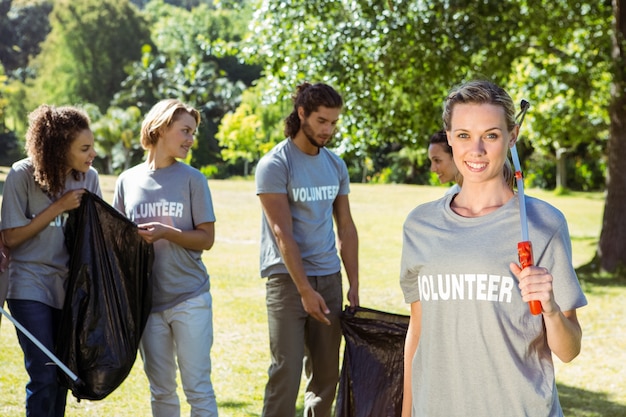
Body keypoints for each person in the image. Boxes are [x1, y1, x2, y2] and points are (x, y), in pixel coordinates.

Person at [400, 80, 587, 417]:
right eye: (463, 136)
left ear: (511, 136)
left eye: (490, 135)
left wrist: (550, 308)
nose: (476, 150)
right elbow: (418, 333)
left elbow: (569, 349)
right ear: (449, 137)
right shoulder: (419, 225)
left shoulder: (544, 223)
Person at [255, 82, 360, 417]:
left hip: (328, 278)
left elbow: (346, 226)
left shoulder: (335, 165)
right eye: (321, 121)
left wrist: (353, 282)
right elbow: (281, 231)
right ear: (301, 114)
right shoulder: (275, 165)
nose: (328, 129)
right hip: (286, 280)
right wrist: (303, 289)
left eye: (333, 122)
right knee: (285, 372)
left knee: (327, 374)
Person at [113, 99, 218, 417]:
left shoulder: (193, 180)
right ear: (160, 127)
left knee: (198, 389)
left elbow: (207, 239)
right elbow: (117, 239)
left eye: (193, 133)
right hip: (148, 303)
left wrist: (166, 232)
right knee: (160, 391)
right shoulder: (127, 181)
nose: (190, 139)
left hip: (190, 298)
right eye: (185, 130)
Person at [0, 104, 101, 417]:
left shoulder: (89, 178)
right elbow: (12, 237)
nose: (92, 154)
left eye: (92, 146)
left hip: (69, 289)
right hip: (28, 285)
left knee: (61, 375)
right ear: (59, 148)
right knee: (44, 372)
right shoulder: (21, 175)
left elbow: (95, 239)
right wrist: (58, 208)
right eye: (84, 148)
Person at [428, 130, 461, 194]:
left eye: (437, 160)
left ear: (456, 156)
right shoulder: (450, 194)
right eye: (431, 161)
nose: (433, 169)